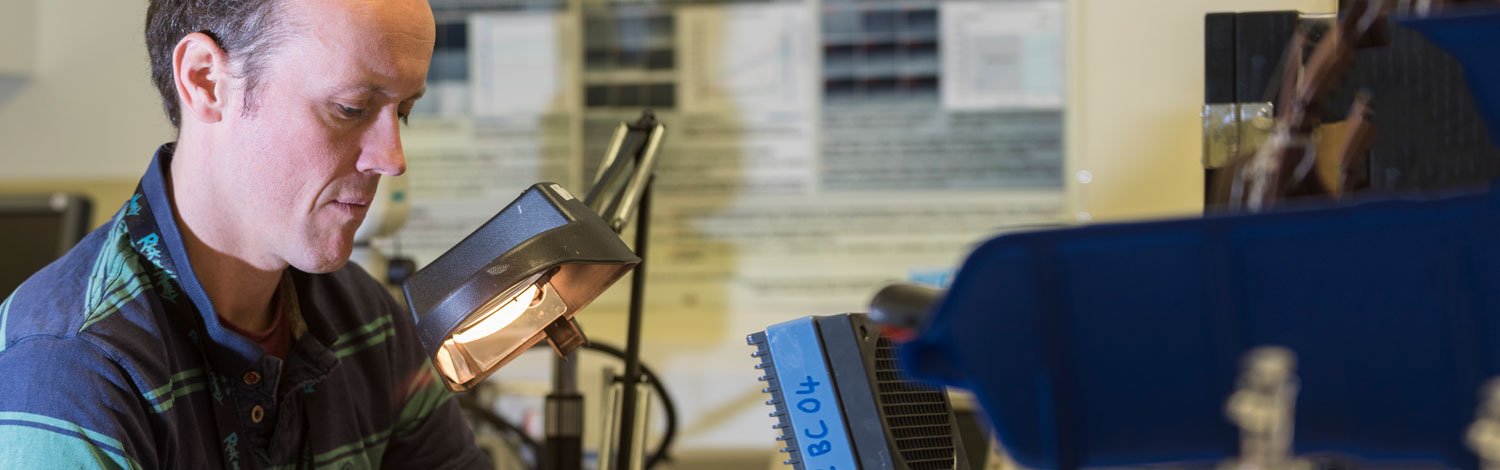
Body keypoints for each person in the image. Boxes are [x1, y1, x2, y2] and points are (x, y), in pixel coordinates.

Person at [0, 0, 489, 467]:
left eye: (403, 111)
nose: (392, 159)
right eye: (351, 108)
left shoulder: (367, 323)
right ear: (206, 81)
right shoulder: (74, 367)